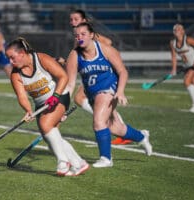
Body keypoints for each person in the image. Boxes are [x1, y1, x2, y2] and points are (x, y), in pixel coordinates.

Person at [65, 22, 152, 168]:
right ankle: (142, 136)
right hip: (92, 93)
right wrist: (62, 104)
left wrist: (120, 91)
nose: (79, 38)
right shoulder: (74, 55)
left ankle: (106, 158)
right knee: (114, 128)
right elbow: (70, 84)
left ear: (92, 35)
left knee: (98, 122)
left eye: (83, 34)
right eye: (77, 35)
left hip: (109, 88)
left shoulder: (105, 50)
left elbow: (123, 71)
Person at [5, 37, 89, 176]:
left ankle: (63, 162)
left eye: (12, 58)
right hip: (41, 105)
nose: (10, 62)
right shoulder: (15, 74)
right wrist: (28, 110)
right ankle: (79, 163)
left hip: (59, 94)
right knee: (50, 136)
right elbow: (22, 96)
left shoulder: (41, 59)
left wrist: (55, 96)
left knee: (45, 125)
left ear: (22, 53)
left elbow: (63, 77)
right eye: (9, 58)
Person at [68, 9, 132, 145]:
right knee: (82, 100)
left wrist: (101, 59)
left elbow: (107, 42)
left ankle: (109, 124)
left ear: (84, 21)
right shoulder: (78, 37)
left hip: (102, 75)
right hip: (90, 75)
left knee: (80, 99)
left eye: (76, 19)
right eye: (71, 19)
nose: (72, 22)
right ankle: (114, 126)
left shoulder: (90, 36)